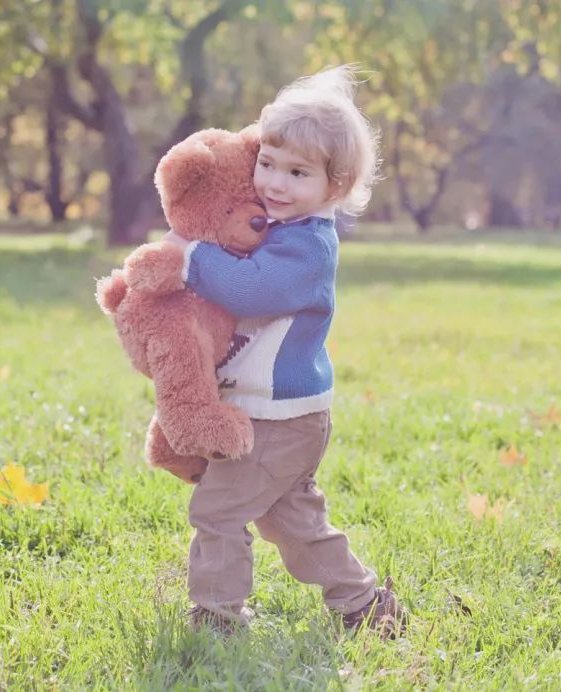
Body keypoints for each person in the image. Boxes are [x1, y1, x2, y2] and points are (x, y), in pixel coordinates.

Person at [162, 64, 407, 638]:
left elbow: (251, 289)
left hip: (280, 418)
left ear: (336, 186)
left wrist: (191, 254)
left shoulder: (310, 247)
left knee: (218, 511)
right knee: (291, 522)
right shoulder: (278, 226)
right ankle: (364, 604)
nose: (275, 182)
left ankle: (217, 618)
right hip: (279, 414)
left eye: (297, 172)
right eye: (267, 163)